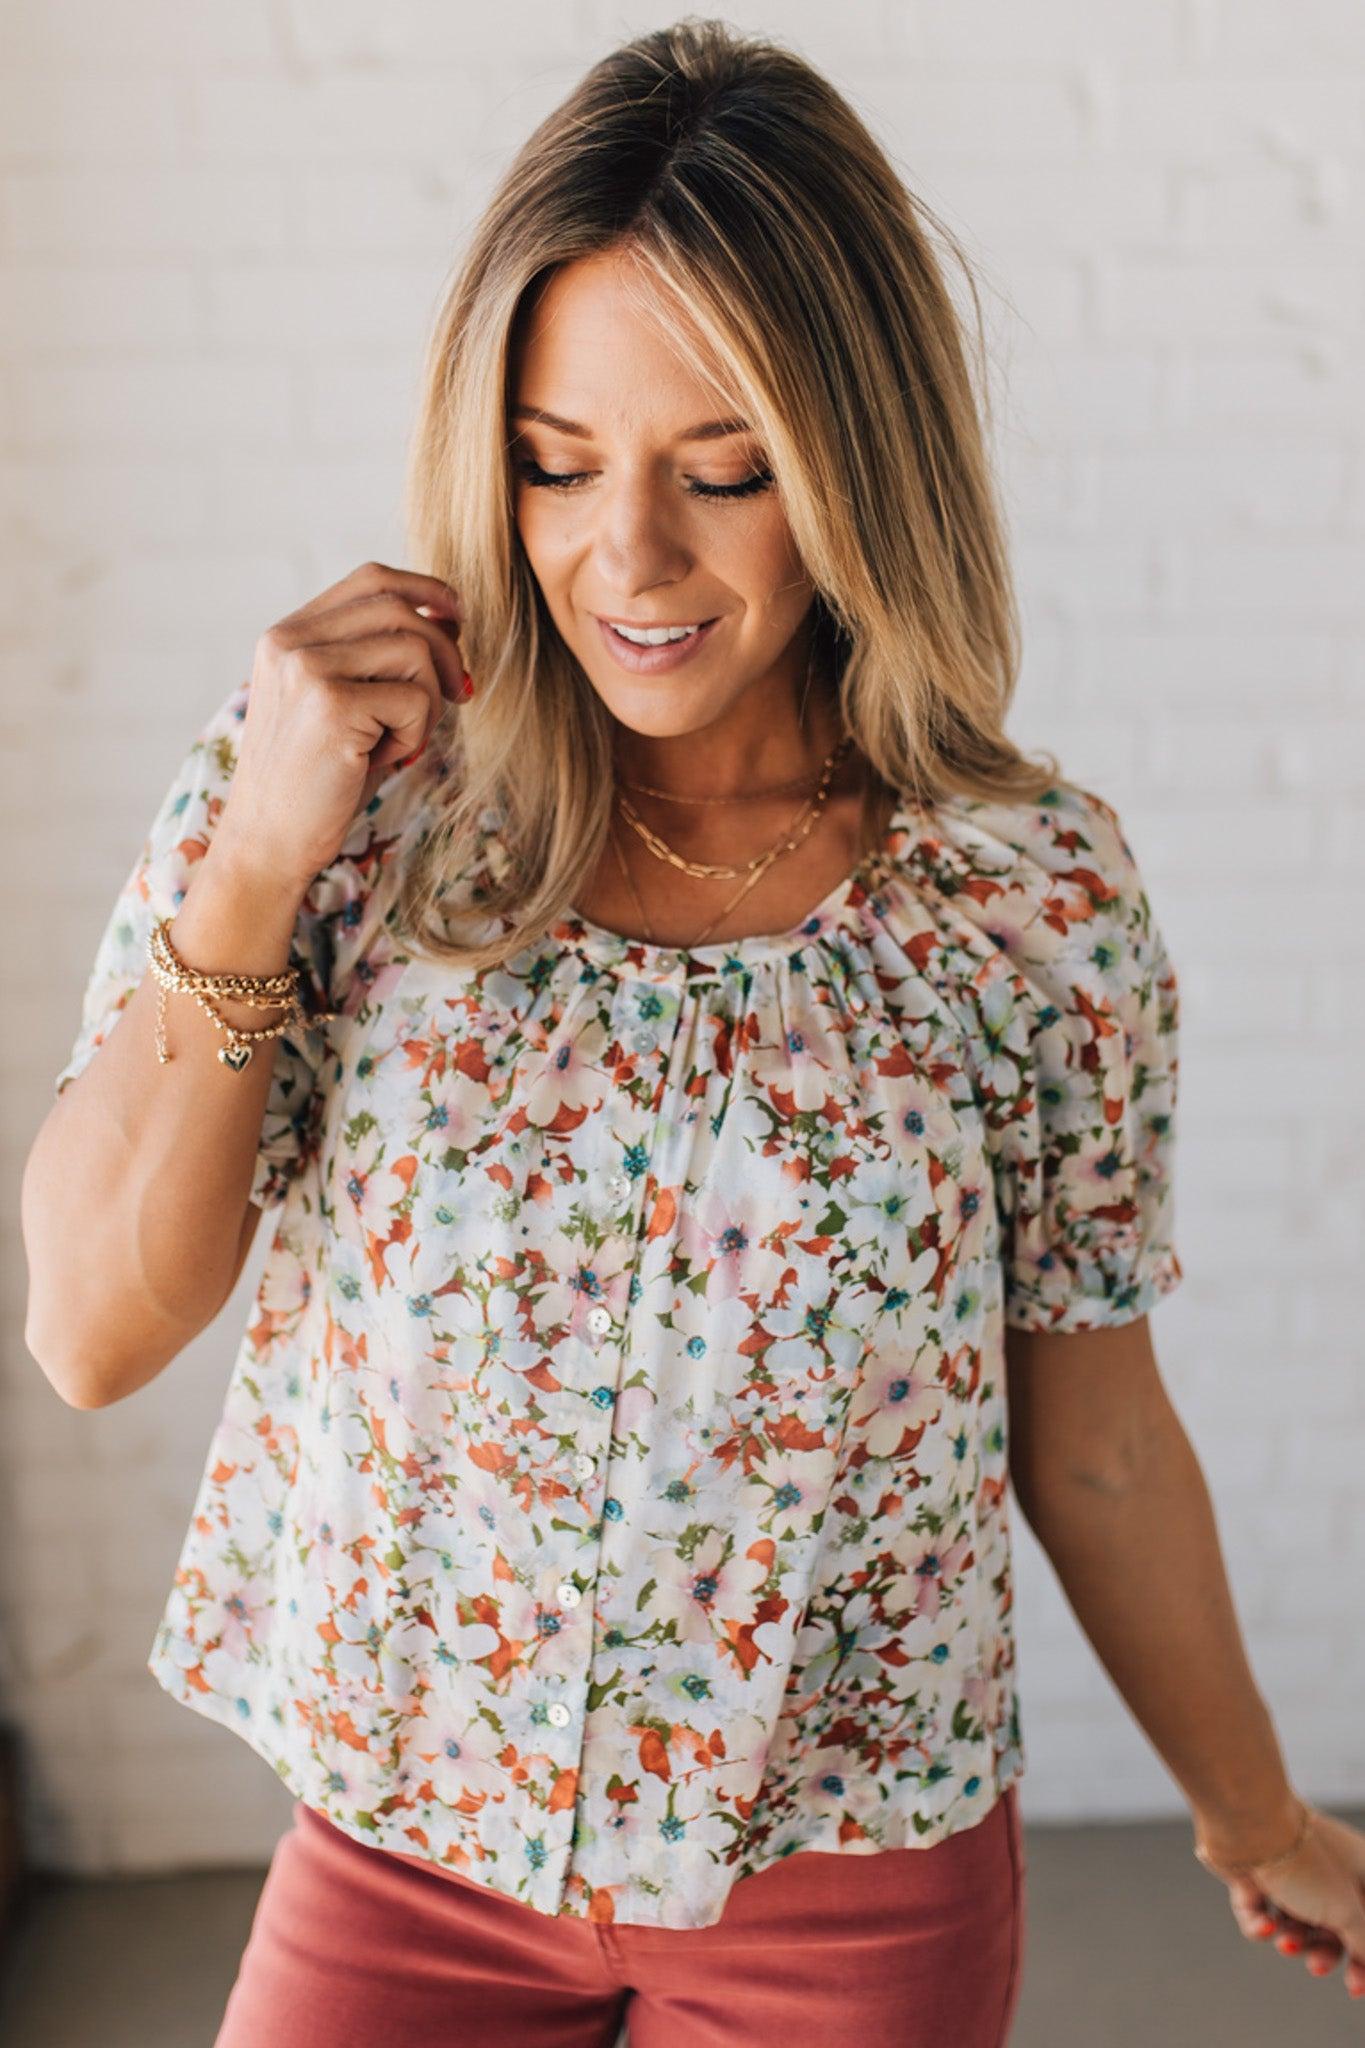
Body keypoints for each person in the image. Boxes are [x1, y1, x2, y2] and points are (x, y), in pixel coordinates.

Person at [22, 17, 1365, 2047]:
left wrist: (1252, 1807)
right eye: (554, 465)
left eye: (721, 472)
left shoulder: (1024, 896)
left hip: (857, 1897)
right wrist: (257, 863)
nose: (623, 559)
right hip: (407, 1862)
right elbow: (90, 1334)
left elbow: (1088, 1434)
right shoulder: (346, 793)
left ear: (850, 462)